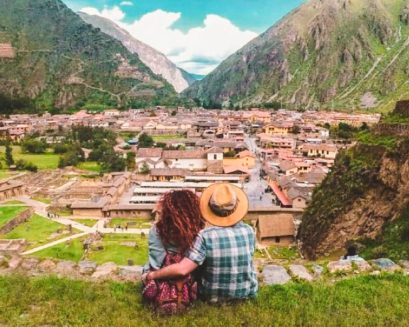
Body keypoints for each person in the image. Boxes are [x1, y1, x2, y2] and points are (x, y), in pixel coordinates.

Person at [143, 183, 258, 303]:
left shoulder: (205, 236)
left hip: (209, 296)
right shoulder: (249, 231)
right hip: (247, 294)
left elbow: (176, 268)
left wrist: (151, 276)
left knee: (148, 267)